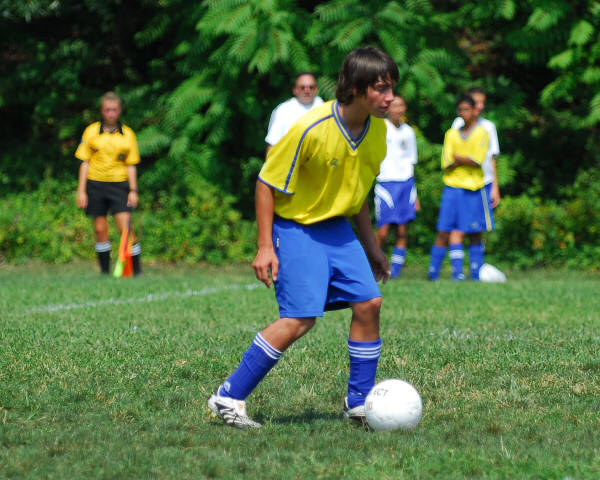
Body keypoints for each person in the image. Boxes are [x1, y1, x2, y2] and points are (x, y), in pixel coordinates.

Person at [208, 46, 399, 429]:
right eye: (381, 88)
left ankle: (358, 404)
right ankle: (228, 397)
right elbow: (266, 183)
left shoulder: (378, 131)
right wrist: (265, 246)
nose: (390, 97)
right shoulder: (311, 128)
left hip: (337, 229)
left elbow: (357, 195)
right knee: (299, 319)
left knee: (369, 303)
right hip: (295, 227)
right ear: (356, 88)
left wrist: (372, 247)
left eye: (392, 88)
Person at [75, 91, 142, 275]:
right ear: (102, 111)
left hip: (119, 185)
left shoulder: (128, 134)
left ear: (119, 111)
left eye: (114, 110)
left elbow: (131, 164)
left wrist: (133, 190)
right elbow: (84, 162)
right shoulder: (91, 132)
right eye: (107, 110)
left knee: (125, 228)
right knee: (99, 229)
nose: (111, 113)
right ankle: (105, 272)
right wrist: (81, 191)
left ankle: (136, 271)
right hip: (95, 184)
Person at [428, 95, 490, 281]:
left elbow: (477, 160)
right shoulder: (451, 134)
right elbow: (446, 162)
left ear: (474, 111)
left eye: (467, 109)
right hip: (452, 187)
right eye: (461, 110)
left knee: (474, 232)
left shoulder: (482, 133)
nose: (464, 113)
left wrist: (459, 159)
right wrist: (464, 160)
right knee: (444, 230)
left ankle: (475, 274)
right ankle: (435, 274)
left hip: (473, 188)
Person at [449, 87, 500, 280]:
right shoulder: (457, 124)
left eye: (482, 103)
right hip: (460, 184)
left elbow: (492, 159)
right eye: (477, 102)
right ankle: (457, 273)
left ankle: (476, 272)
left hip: (482, 183)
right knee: (457, 227)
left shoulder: (488, 126)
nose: (480, 106)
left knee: (477, 228)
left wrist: (495, 187)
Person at [374, 95, 420, 278]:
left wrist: (415, 193)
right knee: (383, 231)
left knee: (402, 230)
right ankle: (375, 266)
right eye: (394, 105)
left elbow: (411, 161)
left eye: (401, 105)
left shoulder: (408, 132)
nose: (398, 109)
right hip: (386, 183)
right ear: (388, 108)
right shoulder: (380, 127)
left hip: (406, 183)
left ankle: (395, 271)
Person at [264, 72, 323, 156]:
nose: (307, 90)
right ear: (295, 90)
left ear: (316, 89)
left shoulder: (324, 108)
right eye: (302, 87)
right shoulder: (283, 110)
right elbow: (272, 144)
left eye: (311, 87)